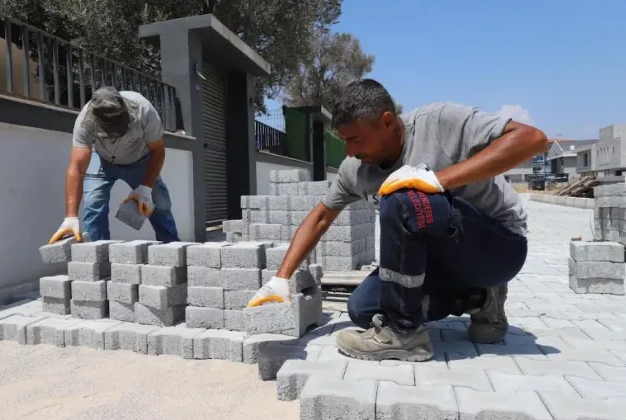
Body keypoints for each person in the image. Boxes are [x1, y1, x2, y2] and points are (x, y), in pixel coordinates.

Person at [247, 79, 548, 362]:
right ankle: (480, 299)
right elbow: (321, 217)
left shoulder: (439, 122)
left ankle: (404, 334)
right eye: (344, 141)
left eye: (355, 140)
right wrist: (281, 278)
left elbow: (533, 140)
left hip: (499, 248)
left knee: (402, 195)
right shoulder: (356, 169)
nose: (350, 152)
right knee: (363, 308)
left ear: (387, 122)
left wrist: (435, 179)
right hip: (439, 260)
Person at [48, 86, 181, 244]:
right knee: (93, 204)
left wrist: (145, 188)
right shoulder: (85, 122)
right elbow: (76, 167)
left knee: (159, 202)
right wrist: (70, 217)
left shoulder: (143, 110)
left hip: (140, 160)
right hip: (102, 160)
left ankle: (172, 251)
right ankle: (96, 258)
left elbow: (158, 151)